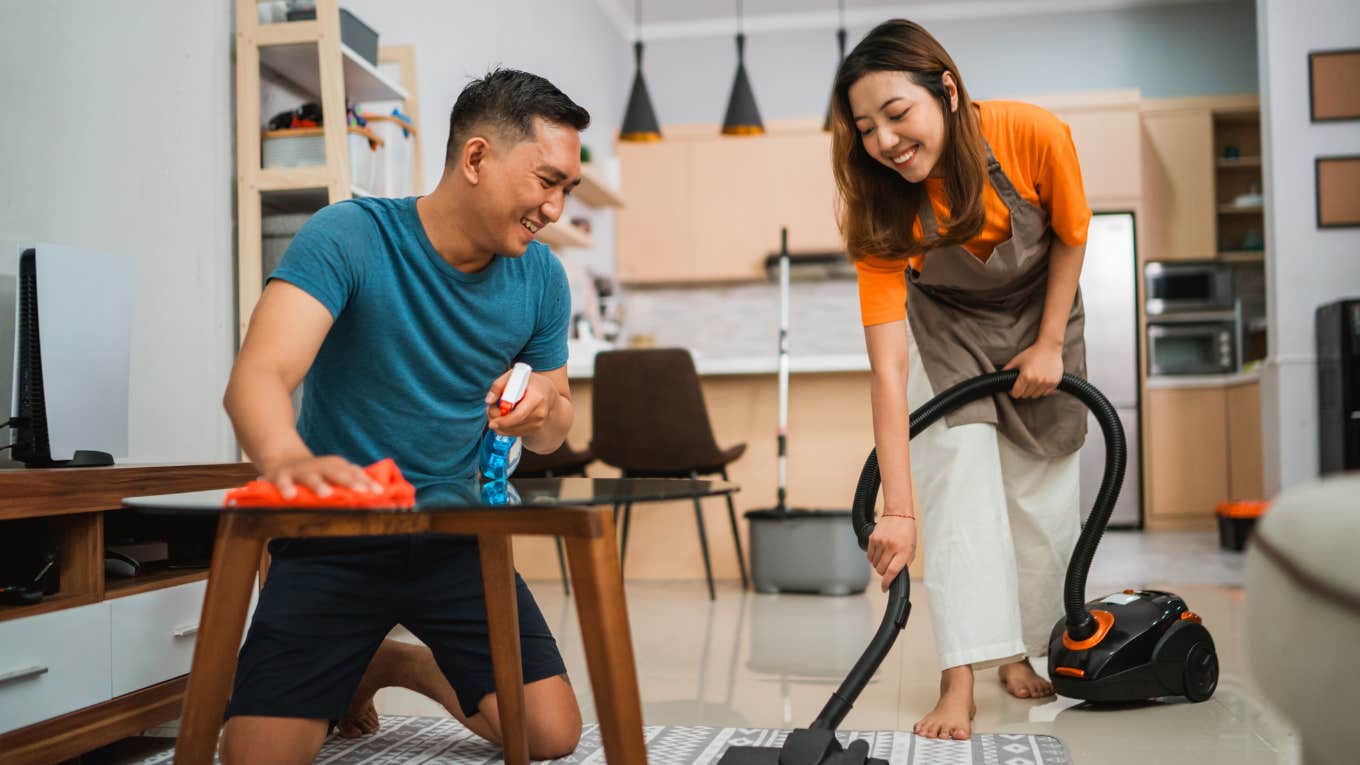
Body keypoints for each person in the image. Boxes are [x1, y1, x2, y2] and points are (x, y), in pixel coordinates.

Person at [219, 68, 589, 764]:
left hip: (459, 537)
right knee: (255, 757)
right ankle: (375, 654)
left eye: (566, 189)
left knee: (551, 732)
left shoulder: (542, 278)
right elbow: (257, 376)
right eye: (547, 181)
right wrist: (287, 459)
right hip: (337, 534)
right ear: (476, 157)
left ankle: (400, 663)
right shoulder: (350, 236)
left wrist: (542, 411)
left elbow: (558, 421)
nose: (555, 208)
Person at [828, 20, 1092, 740]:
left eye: (896, 113)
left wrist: (1046, 343)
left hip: (1041, 310)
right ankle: (959, 678)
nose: (883, 140)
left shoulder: (1030, 133)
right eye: (864, 127)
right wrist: (901, 509)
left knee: (1042, 495)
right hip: (948, 329)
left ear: (945, 89)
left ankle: (1027, 649)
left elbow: (1071, 232)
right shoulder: (880, 206)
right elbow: (888, 370)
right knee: (962, 483)